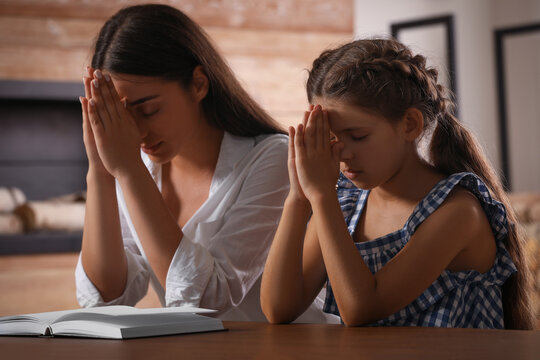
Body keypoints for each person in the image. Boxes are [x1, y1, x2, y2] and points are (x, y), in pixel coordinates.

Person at [75, 4, 329, 322]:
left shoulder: (272, 159)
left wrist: (127, 171)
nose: (137, 133)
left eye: (149, 110)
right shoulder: (132, 166)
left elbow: (209, 299)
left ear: (198, 84)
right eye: (120, 117)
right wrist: (99, 169)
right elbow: (106, 295)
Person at [260, 38, 535, 329]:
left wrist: (322, 197)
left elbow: (361, 309)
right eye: (331, 138)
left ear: (410, 125)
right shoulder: (346, 204)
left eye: (358, 136)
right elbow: (279, 308)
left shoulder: (458, 213)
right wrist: (299, 197)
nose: (342, 153)